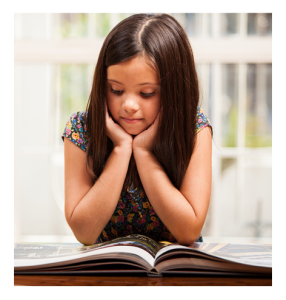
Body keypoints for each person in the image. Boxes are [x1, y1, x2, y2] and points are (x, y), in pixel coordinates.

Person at [62, 13, 213, 246]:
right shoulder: (81, 130)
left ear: (174, 93)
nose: (129, 106)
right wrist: (121, 148)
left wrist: (143, 151)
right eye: (116, 90)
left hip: (175, 274)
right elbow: (84, 232)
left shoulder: (193, 128)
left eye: (147, 93)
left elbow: (188, 230)